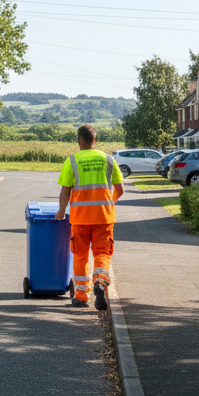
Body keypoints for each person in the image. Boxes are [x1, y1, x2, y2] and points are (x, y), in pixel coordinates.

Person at [55, 124, 124, 310]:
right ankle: (100, 282)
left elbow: (65, 191)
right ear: (96, 140)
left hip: (80, 219)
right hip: (104, 218)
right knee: (102, 253)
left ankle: (82, 297)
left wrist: (61, 210)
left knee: (80, 256)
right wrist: (107, 205)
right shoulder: (109, 160)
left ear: (79, 140)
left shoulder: (72, 161)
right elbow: (119, 190)